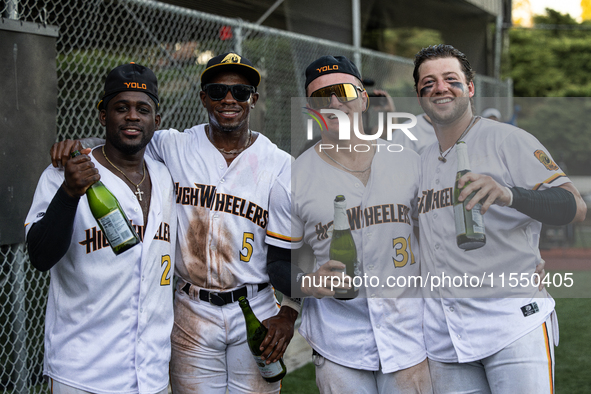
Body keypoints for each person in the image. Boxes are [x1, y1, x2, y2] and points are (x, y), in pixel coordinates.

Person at [50, 52, 298, 394]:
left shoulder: (281, 164)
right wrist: (78, 147)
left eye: (240, 93)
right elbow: (123, 141)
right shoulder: (173, 145)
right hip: (191, 310)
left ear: (253, 99)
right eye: (216, 91)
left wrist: (290, 311)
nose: (228, 99)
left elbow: (299, 249)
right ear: (202, 98)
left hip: (255, 308)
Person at [413, 44, 587, 393]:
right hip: (444, 334)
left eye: (451, 79)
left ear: (471, 87)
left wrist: (510, 194)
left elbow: (575, 207)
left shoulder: (508, 139)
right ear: (419, 95)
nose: (440, 88)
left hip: (511, 322)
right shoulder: (418, 160)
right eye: (428, 82)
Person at [266, 55, 433, 393]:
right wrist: (307, 284)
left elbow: (440, 237)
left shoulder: (408, 161)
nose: (333, 102)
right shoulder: (293, 178)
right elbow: (279, 263)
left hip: (411, 335)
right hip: (339, 342)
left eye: (343, 91)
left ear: (363, 98)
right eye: (319, 97)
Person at [25, 63, 177, 393]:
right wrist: (68, 194)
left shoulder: (167, 178)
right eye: (121, 108)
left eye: (143, 109)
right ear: (103, 115)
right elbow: (39, 256)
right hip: (82, 373)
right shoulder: (63, 173)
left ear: (157, 121)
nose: (132, 117)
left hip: (151, 373)